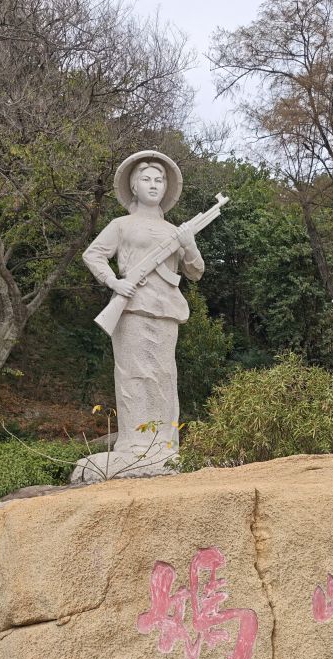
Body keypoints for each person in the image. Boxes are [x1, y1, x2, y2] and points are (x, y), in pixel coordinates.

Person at [73, 150, 205, 481]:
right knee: (133, 375)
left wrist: (189, 244)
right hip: (131, 308)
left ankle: (164, 444)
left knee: (164, 376)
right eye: (146, 179)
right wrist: (115, 282)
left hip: (166, 310)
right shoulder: (121, 225)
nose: (154, 184)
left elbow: (196, 271)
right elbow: (93, 255)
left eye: (159, 180)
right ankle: (134, 444)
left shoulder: (176, 231)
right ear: (134, 186)